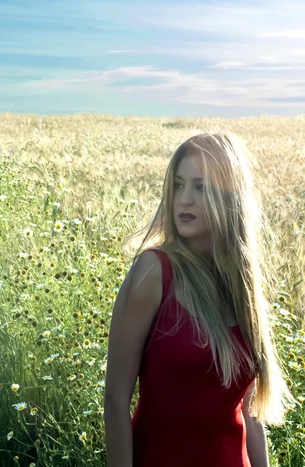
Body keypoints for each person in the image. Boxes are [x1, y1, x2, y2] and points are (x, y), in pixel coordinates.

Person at [103, 131, 294, 467]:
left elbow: (251, 414)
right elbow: (116, 401)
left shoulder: (241, 283)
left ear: (229, 196)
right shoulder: (154, 272)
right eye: (178, 185)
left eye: (200, 187)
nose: (184, 199)